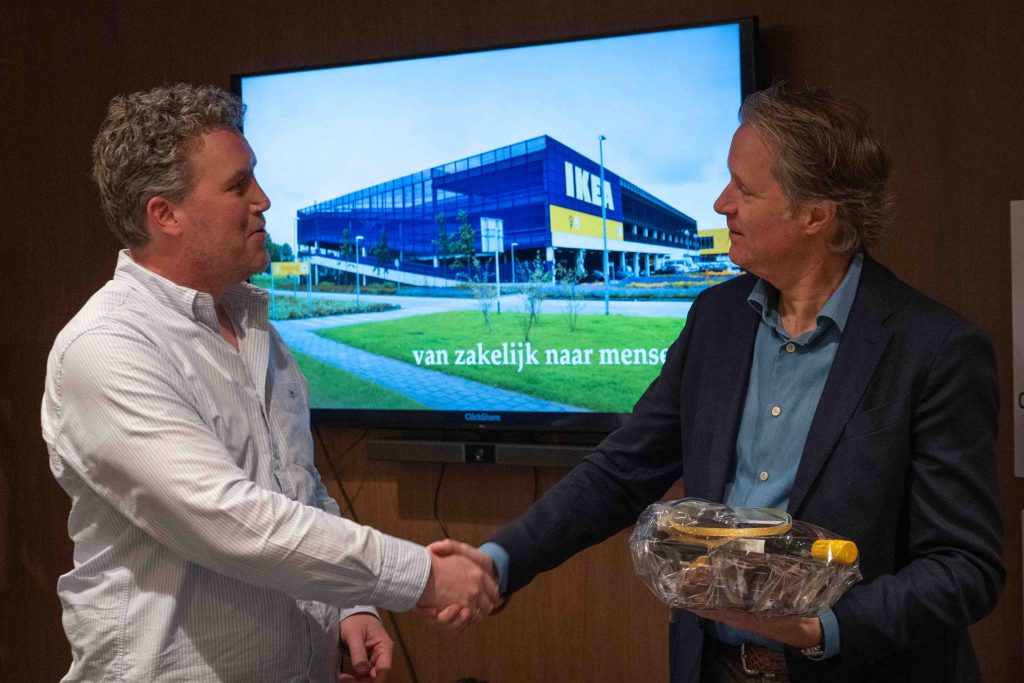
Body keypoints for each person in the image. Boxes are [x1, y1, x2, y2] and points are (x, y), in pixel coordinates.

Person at [439, 81, 1005, 681]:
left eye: (744, 188)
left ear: (816, 215)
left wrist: (821, 628)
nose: (719, 203)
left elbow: (965, 567)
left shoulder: (936, 350)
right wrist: (498, 561)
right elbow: (622, 471)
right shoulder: (716, 319)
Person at [41, 83, 498, 682]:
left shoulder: (256, 329)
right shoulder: (107, 347)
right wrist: (421, 576)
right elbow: (231, 521)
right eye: (238, 185)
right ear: (165, 214)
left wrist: (349, 606)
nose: (263, 199)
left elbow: (296, 488)